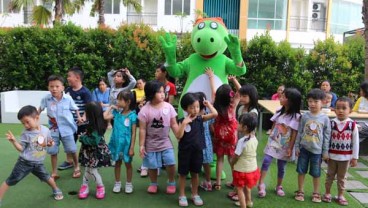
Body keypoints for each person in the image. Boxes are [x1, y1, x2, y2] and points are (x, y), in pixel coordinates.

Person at [0, 106, 63, 206]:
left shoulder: (45, 130)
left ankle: (56, 189)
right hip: (24, 163)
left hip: (38, 163)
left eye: (27, 122)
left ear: (36, 118)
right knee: (11, 180)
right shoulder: (26, 134)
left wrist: (50, 143)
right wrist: (14, 141)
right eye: (23, 123)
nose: (25, 125)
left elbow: (50, 142)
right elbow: (21, 148)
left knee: (46, 177)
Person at [258, 88, 302, 198]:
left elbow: (294, 134)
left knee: (281, 166)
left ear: (291, 101)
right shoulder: (279, 110)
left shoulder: (296, 117)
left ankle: (279, 186)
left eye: (283, 97)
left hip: (285, 145)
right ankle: (261, 184)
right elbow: (274, 124)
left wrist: (290, 148)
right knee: (266, 160)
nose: (280, 98)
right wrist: (271, 135)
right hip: (273, 141)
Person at [176, 92, 218, 206]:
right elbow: (178, 136)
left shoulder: (200, 119)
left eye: (197, 106)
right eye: (192, 107)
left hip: (197, 151)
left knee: (195, 173)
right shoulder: (181, 120)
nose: (195, 109)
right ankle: (182, 195)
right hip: (185, 152)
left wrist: (208, 104)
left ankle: (195, 194)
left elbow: (215, 114)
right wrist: (184, 123)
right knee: (183, 174)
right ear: (185, 108)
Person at [138, 80, 179, 194]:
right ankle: (153, 183)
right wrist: (141, 145)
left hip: (165, 141)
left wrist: (179, 136)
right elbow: (142, 129)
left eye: (163, 91)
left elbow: (174, 124)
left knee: (170, 162)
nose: (163, 94)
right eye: (159, 92)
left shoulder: (169, 107)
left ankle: (171, 181)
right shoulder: (145, 110)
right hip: (150, 142)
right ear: (151, 94)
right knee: (152, 165)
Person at [39, 75, 81, 179]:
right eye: (51, 86)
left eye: (57, 86)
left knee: (72, 150)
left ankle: (76, 167)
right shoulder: (46, 99)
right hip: (53, 131)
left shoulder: (68, 98)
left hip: (67, 129)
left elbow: (75, 108)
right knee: (53, 151)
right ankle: (54, 172)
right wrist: (34, 119)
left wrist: (79, 117)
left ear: (62, 87)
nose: (54, 89)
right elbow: (39, 109)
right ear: (48, 87)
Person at [294, 88, 331, 203]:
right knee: (301, 171)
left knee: (316, 173)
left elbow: (326, 136)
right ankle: (300, 191)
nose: (312, 104)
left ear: (323, 102)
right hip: (304, 149)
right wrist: (296, 146)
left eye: (316, 101)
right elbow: (300, 131)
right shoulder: (304, 116)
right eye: (310, 101)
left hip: (317, 151)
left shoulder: (325, 118)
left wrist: (325, 152)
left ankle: (316, 193)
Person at [322, 97, 359, 206]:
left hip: (345, 158)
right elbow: (327, 139)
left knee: (342, 178)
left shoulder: (352, 125)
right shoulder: (331, 123)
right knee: (329, 176)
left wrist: (355, 157)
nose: (341, 111)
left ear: (350, 111)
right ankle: (327, 193)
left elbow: (355, 142)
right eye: (338, 108)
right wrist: (325, 153)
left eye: (344, 108)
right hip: (332, 157)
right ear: (334, 109)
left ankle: (340, 195)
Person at [59, 66, 92, 172]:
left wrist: (83, 116)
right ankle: (69, 161)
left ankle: (88, 159)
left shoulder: (85, 92)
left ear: (77, 77)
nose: (67, 78)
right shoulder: (67, 90)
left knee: (85, 141)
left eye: (69, 76)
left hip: (82, 123)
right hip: (70, 123)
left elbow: (89, 105)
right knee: (69, 141)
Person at [104, 90, 137, 194]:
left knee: (128, 164)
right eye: (117, 99)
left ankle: (128, 183)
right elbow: (105, 116)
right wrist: (111, 107)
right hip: (116, 143)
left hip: (126, 145)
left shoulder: (132, 115)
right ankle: (117, 183)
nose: (117, 101)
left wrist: (131, 147)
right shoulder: (116, 113)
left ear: (128, 102)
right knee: (117, 163)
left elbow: (133, 133)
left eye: (120, 100)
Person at [78, 102, 111, 200]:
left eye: (86, 112)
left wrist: (82, 138)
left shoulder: (96, 126)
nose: (85, 114)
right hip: (90, 151)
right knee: (88, 169)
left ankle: (100, 186)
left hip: (94, 152)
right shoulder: (96, 121)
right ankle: (84, 186)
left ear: (90, 114)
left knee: (92, 170)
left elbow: (93, 141)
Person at [212, 84, 240, 190]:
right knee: (231, 159)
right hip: (231, 134)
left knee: (219, 159)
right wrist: (234, 80)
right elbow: (241, 91)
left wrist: (211, 78)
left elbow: (214, 92)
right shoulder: (233, 105)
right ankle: (235, 182)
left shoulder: (216, 106)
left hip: (219, 133)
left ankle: (218, 183)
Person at [230, 113, 260, 208]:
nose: (237, 125)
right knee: (248, 186)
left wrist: (232, 162)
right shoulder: (254, 138)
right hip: (252, 169)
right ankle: (249, 202)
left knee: (240, 189)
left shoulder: (242, 141)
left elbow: (236, 156)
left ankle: (243, 205)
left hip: (242, 170)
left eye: (239, 123)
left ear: (245, 127)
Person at [197, 92, 216, 192]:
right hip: (207, 143)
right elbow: (212, 129)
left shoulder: (194, 116)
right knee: (206, 164)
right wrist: (209, 105)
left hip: (197, 143)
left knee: (196, 165)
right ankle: (208, 182)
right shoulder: (207, 115)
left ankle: (194, 184)